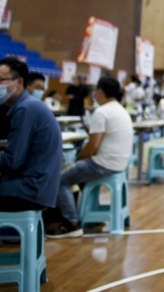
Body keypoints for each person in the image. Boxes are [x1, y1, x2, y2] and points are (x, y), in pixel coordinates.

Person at [48, 76, 133, 238]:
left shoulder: (102, 112)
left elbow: (92, 147)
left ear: (100, 92)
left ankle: (72, 223)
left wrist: (77, 159)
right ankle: (88, 215)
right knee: (76, 175)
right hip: (120, 164)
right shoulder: (121, 110)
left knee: (60, 180)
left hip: (103, 164)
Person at [0, 57, 63, 212]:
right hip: (38, 188)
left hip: (26, 191)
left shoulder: (25, 109)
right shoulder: (28, 105)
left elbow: (12, 161)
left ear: (19, 82)